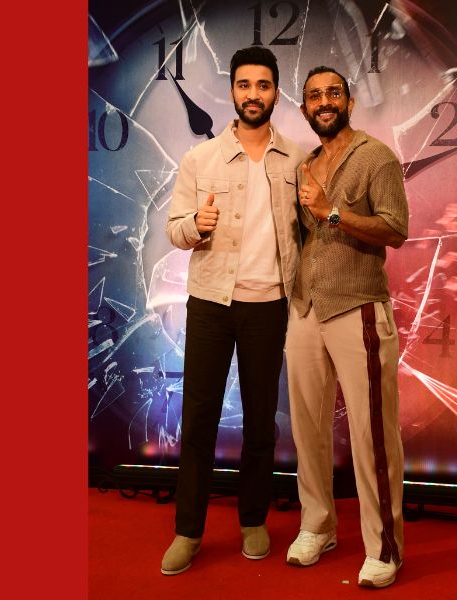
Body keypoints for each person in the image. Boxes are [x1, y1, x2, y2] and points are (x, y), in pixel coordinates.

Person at [161, 46, 306, 575]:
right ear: (232, 92)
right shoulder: (200, 160)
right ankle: (188, 531)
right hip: (211, 305)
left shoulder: (298, 160)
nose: (253, 94)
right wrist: (195, 226)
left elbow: (308, 231)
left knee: (261, 423)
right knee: (198, 419)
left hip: (269, 306)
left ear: (275, 93)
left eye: (263, 85)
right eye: (244, 85)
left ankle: (253, 520)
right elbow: (174, 230)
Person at [284, 66, 409, 588]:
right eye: (315, 96)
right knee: (307, 429)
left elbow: (396, 229)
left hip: (357, 307)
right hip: (305, 309)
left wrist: (333, 212)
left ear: (350, 102)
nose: (324, 102)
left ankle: (383, 548)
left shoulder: (376, 157)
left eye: (333, 93)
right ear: (305, 109)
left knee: (371, 433)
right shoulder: (304, 165)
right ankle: (318, 525)